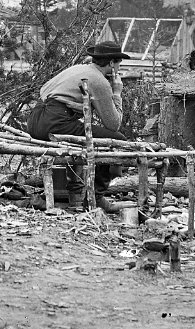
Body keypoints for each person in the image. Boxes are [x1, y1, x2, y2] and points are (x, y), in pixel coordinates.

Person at [27, 41, 130, 211]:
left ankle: (80, 193)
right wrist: (116, 92)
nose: (119, 69)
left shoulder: (78, 69)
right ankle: (96, 197)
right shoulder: (99, 81)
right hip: (55, 123)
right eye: (119, 64)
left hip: (36, 120)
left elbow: (45, 90)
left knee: (95, 134)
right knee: (116, 140)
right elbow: (114, 124)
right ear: (112, 63)